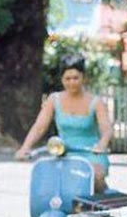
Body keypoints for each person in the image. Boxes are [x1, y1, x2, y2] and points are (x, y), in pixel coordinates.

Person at [16, 55, 112, 191]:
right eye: (67, 78)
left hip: (91, 153)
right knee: (50, 184)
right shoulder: (54, 99)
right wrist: (25, 147)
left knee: (95, 177)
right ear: (61, 79)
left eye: (75, 78)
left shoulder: (96, 102)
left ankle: (102, 198)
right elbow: (40, 127)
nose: (71, 82)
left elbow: (106, 129)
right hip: (63, 153)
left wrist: (101, 145)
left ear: (83, 78)